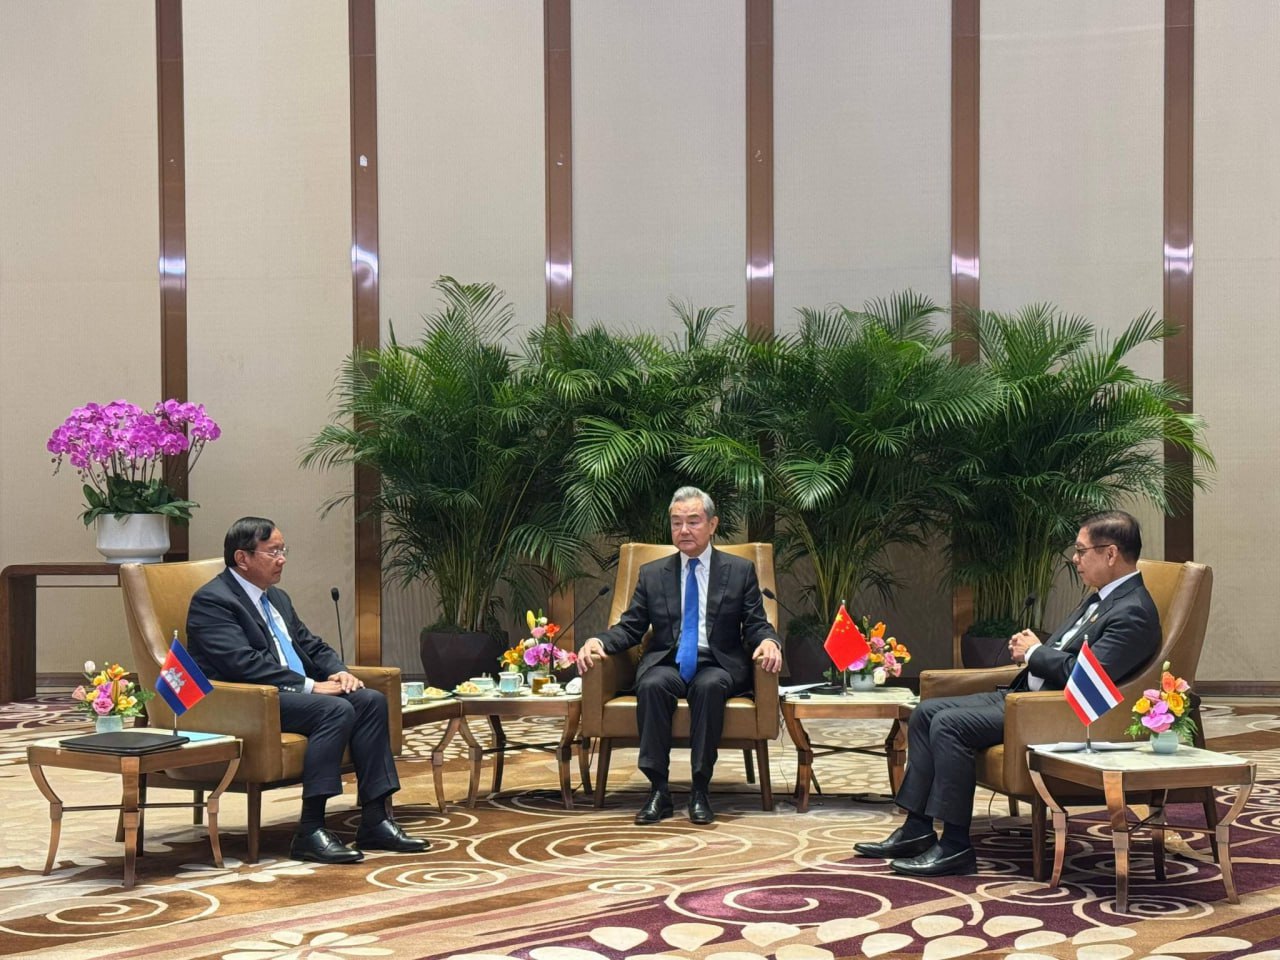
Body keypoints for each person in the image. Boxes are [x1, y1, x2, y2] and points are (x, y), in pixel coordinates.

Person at [855, 510, 1161, 877]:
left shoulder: (1132, 612)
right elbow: (1067, 654)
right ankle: (917, 829)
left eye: (1081, 551)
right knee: (925, 712)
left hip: (1054, 713)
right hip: (1025, 698)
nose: (1074, 559)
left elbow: (1086, 681)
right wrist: (1035, 651)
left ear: (1110, 553)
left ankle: (955, 846)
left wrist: (1035, 653)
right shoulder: (1102, 598)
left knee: (949, 725)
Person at [187, 517, 429, 864]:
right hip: (247, 702)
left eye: (283, 550)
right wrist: (312, 687)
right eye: (273, 552)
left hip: (291, 695)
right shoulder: (213, 600)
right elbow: (242, 664)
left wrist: (339, 673)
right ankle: (310, 830)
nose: (282, 559)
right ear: (242, 558)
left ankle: (376, 820)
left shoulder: (276, 598)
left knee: (370, 701)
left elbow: (311, 645)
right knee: (335, 709)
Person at [577, 487, 783, 825]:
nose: (684, 530)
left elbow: (756, 625)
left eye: (693, 521)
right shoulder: (653, 573)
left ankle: (700, 789)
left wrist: (770, 642)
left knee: (710, 686)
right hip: (667, 661)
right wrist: (598, 640)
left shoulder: (739, 571)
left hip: (717, 663)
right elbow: (630, 627)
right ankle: (659, 790)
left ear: (712, 524)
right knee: (652, 685)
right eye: (676, 523)